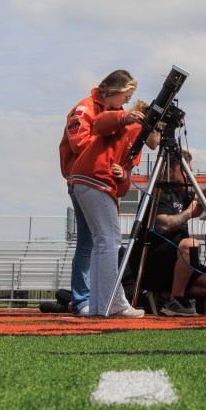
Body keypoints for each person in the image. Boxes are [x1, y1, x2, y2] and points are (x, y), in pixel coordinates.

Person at [45, 70, 138, 315]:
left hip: (93, 178)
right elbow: (80, 144)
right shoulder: (84, 109)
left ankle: (92, 301)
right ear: (115, 90)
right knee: (91, 242)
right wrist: (111, 132)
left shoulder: (109, 111)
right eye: (126, 96)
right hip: (86, 178)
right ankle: (84, 300)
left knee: (94, 242)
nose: (126, 102)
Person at [67, 84, 159, 318]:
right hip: (94, 178)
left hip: (85, 179)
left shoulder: (133, 135)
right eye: (159, 130)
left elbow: (123, 188)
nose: (160, 138)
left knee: (101, 243)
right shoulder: (130, 124)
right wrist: (124, 117)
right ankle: (115, 304)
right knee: (109, 242)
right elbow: (100, 123)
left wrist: (123, 176)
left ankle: (99, 305)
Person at [146, 149, 206, 317]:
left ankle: (165, 294)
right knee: (191, 245)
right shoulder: (160, 191)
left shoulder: (180, 192)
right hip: (157, 261)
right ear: (170, 171)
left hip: (179, 262)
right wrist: (189, 212)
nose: (190, 176)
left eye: (191, 171)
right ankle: (175, 300)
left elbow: (198, 198)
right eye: (185, 171)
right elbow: (163, 225)